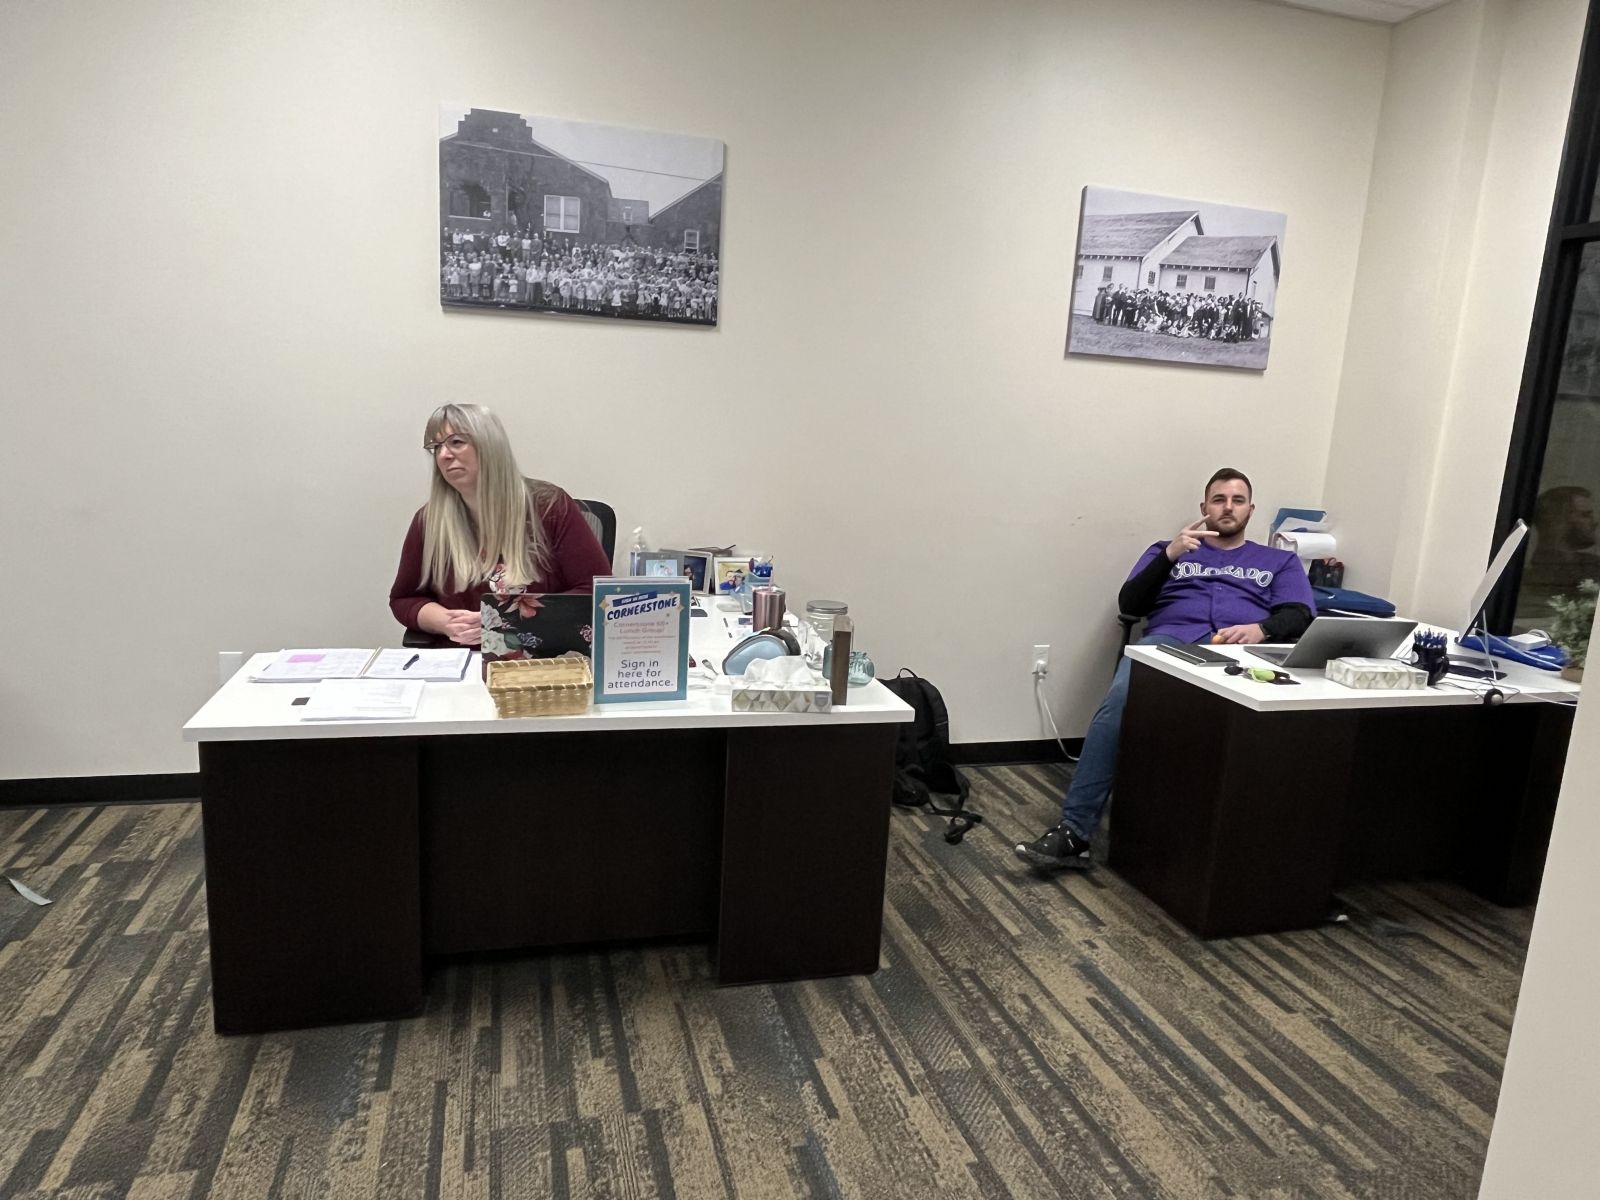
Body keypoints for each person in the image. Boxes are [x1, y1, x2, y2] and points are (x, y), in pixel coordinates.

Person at [1015, 468, 1315, 871]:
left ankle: (1258, 846)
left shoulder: (1279, 560)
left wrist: (1262, 629)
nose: (1228, 507)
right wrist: (1169, 556)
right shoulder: (1168, 550)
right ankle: (1075, 832)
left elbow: (1299, 614)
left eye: (1237, 500)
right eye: (1219, 499)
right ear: (1204, 507)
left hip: (1242, 652)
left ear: (1251, 509)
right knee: (1118, 704)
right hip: (1167, 645)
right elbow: (1131, 604)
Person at [388, 404, 612, 647]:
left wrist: (503, 620)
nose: (443, 455)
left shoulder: (550, 507)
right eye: (436, 447)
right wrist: (446, 622)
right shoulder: (430, 520)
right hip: (462, 657)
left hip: (541, 656)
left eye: (456, 442)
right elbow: (404, 598)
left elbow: (595, 592)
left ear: (489, 445)